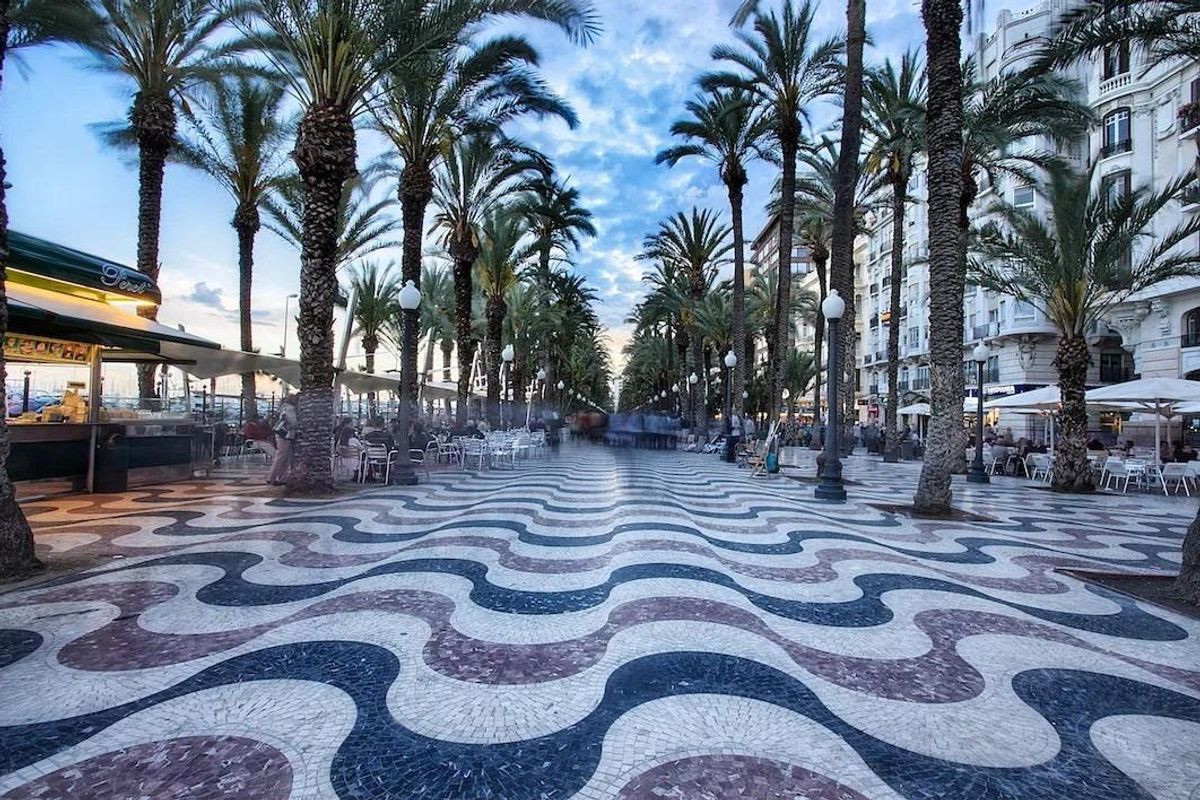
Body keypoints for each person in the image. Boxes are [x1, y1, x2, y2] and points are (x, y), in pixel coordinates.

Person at [266, 394, 297, 485]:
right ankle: (271, 477)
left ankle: (282, 478)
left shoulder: (283, 408)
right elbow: (293, 422)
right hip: (285, 435)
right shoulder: (290, 409)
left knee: (284, 457)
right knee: (281, 456)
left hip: (281, 434)